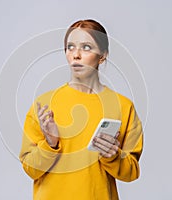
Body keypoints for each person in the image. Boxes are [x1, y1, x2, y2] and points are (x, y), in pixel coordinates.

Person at [19, 19, 143, 200]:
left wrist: (112, 156)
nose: (76, 54)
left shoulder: (124, 107)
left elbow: (132, 172)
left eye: (86, 47)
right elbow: (30, 169)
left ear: (102, 55)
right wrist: (50, 144)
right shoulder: (45, 105)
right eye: (70, 47)